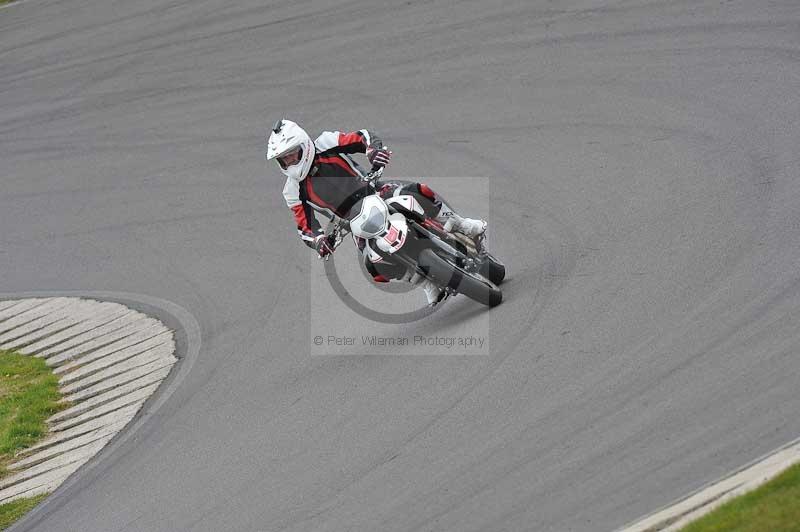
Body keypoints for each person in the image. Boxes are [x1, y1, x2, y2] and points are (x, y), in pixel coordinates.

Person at [265, 119, 487, 306]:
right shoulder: (292, 190)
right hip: (354, 224)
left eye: (292, 155)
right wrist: (319, 239)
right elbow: (305, 226)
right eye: (284, 159)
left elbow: (363, 137)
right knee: (374, 266)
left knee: (416, 191)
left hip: (376, 191)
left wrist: (373, 151)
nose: (289, 161)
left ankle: (460, 224)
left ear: (304, 145)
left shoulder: (325, 143)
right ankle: (425, 282)